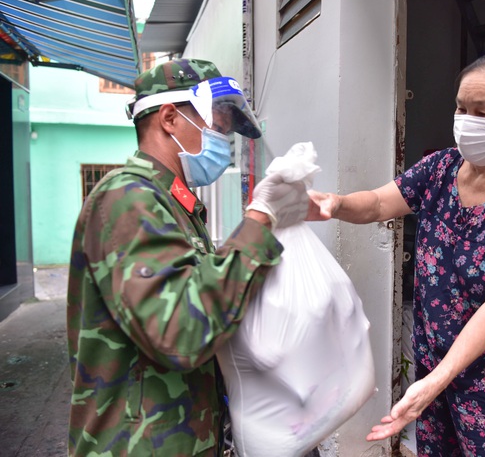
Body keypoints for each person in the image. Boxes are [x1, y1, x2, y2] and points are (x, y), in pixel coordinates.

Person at [309, 53, 485, 456]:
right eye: (461, 108)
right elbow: (375, 204)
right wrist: (333, 203)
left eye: (483, 112)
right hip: (434, 364)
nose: (466, 120)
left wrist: (435, 381)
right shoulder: (441, 168)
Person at [66, 58, 309, 456]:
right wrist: (259, 220)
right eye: (216, 125)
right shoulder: (130, 199)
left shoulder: (173, 203)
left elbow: (203, 296)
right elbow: (182, 333)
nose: (223, 142)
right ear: (168, 119)